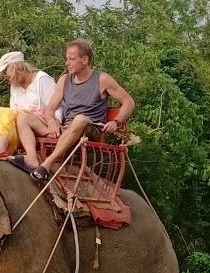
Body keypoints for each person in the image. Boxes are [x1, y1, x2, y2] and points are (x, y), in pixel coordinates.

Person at [20, 39, 135, 183]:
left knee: (80, 119)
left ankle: (46, 165)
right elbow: (50, 109)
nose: (67, 63)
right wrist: (52, 121)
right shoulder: (64, 80)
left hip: (90, 127)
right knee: (23, 117)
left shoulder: (102, 79)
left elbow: (129, 102)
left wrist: (116, 122)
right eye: (67, 59)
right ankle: (31, 157)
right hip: (66, 128)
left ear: (85, 60)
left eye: (71, 59)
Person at [0, 51, 59, 166]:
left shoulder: (41, 79)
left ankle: (31, 157)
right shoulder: (14, 86)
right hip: (23, 125)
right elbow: (12, 111)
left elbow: (57, 105)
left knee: (22, 117)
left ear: (15, 67)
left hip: (45, 123)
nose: (5, 75)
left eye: (6, 71)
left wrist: (56, 122)